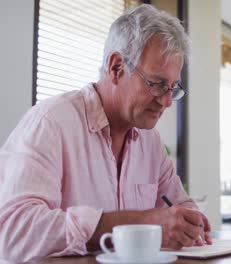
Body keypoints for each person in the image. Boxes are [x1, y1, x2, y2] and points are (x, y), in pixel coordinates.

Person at [0, 4, 212, 262]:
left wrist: (190, 223)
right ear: (116, 67)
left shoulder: (151, 142)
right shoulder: (51, 123)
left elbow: (179, 206)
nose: (167, 102)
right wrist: (137, 222)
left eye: (172, 88)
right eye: (156, 85)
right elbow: (12, 233)